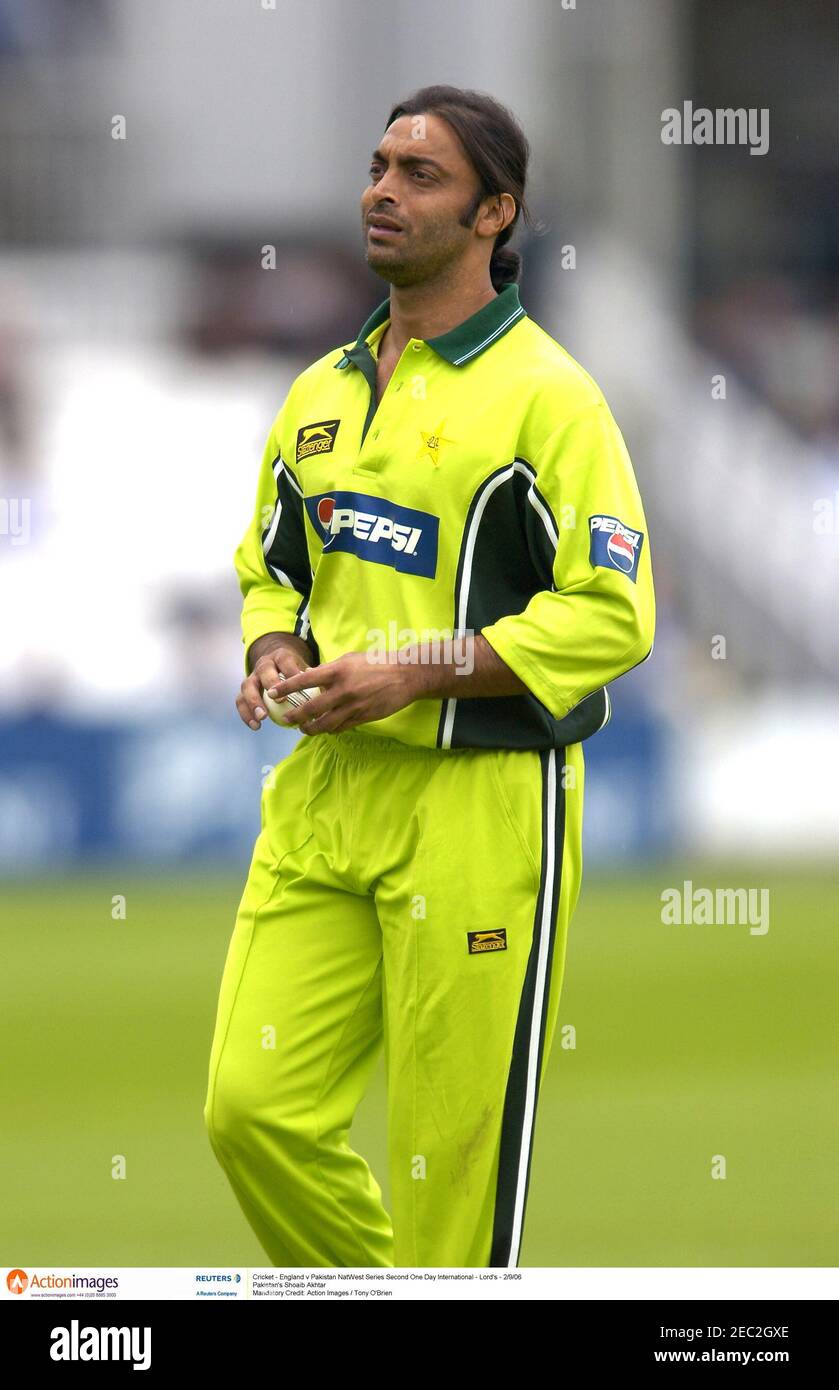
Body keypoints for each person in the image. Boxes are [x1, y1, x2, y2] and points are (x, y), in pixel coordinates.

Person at [203, 84, 655, 1269]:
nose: (381, 191)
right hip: (322, 798)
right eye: (378, 165)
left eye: (421, 175)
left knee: (446, 1175)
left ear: (494, 212)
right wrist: (272, 648)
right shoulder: (316, 391)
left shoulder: (550, 396)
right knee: (251, 1113)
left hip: (478, 811)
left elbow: (613, 611)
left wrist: (418, 673)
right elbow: (270, 567)